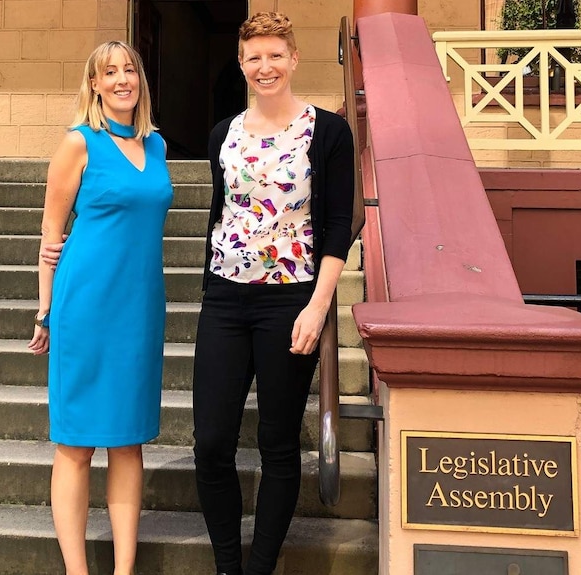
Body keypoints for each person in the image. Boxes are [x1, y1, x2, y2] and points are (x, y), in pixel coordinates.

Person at [192, 12, 354, 575]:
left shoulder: (328, 132)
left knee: (278, 443)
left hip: (291, 301)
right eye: (254, 57)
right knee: (211, 442)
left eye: (275, 55)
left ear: (293, 58)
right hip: (225, 300)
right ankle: (227, 565)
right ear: (241, 63)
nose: (266, 67)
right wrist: (211, 287)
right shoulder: (224, 134)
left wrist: (318, 305)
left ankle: (260, 567)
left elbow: (338, 226)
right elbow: (221, 216)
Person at [27, 40, 173, 575]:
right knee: (76, 444)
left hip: (139, 308)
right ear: (94, 84)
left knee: (129, 440)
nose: (121, 80)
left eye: (129, 69)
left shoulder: (156, 145)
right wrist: (45, 309)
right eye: (109, 72)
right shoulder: (78, 143)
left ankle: (124, 569)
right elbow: (51, 231)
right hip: (85, 303)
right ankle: (76, 570)